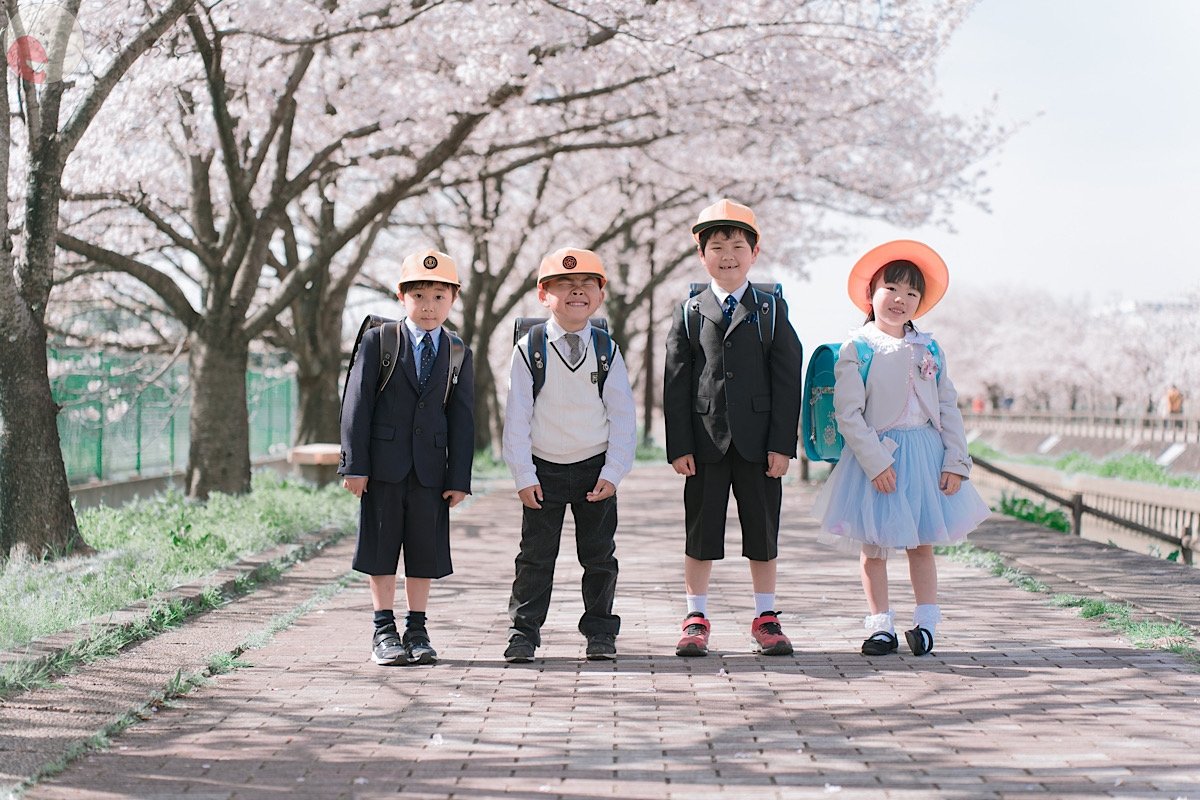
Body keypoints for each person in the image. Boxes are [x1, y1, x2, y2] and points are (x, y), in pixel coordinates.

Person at [812, 240, 990, 657]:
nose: (901, 299)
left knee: (921, 542)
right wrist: (875, 463)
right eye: (892, 288)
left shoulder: (929, 346)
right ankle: (880, 625)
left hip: (925, 456)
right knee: (873, 546)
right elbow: (848, 413)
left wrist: (956, 460)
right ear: (871, 293)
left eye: (912, 293)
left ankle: (926, 624)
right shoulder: (858, 347)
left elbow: (947, 406)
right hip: (879, 455)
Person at [663, 199, 803, 658]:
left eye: (738, 246)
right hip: (704, 444)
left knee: (763, 532)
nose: (727, 255)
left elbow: (788, 381)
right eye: (717, 246)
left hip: (760, 445)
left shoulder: (771, 309)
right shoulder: (689, 311)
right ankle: (695, 616)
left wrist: (783, 444)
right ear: (701, 255)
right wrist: (679, 445)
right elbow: (676, 382)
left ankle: (766, 616)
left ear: (754, 253)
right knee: (699, 532)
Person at [339, 248, 475, 667]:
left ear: (453, 298)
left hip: (432, 470)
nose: (429, 306)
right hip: (382, 467)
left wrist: (459, 476)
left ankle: (417, 628)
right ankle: (383, 629)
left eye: (439, 296)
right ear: (402, 297)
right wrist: (354, 465)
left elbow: (463, 418)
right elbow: (356, 405)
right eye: (420, 296)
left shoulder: (456, 351)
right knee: (381, 546)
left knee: (424, 548)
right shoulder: (380, 340)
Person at [501, 247, 637, 663]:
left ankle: (600, 632)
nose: (577, 291)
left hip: (594, 468)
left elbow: (623, 417)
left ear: (600, 295)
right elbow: (517, 417)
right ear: (544, 294)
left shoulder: (606, 349)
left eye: (587, 285)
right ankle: (523, 633)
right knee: (535, 558)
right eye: (564, 284)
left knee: (598, 557)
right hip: (543, 470)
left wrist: (614, 471)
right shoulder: (530, 348)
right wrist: (523, 474)